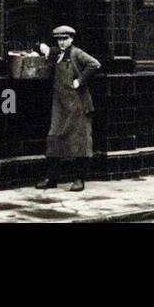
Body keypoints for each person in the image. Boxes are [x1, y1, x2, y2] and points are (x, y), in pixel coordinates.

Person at [35, 25, 101, 191]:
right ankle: (52, 179)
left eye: (65, 39)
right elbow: (45, 49)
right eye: (59, 39)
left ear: (71, 39)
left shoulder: (76, 53)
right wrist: (42, 47)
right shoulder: (58, 53)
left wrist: (80, 80)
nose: (62, 42)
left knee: (79, 142)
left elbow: (95, 64)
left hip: (78, 105)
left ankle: (79, 180)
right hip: (60, 106)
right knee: (54, 139)